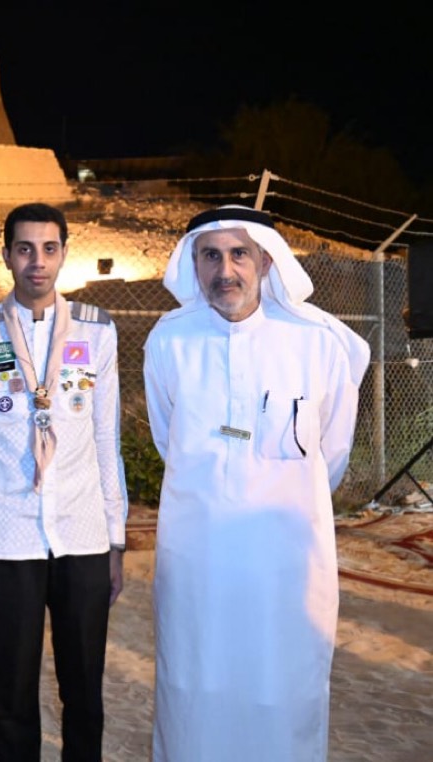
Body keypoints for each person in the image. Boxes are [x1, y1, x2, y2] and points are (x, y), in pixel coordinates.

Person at [144, 206, 370, 761]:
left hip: (286, 561)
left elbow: (332, 451)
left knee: (283, 690)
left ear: (266, 261)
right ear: (194, 264)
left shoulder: (317, 342)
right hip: (198, 558)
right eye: (211, 256)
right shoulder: (170, 340)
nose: (225, 271)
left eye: (239, 254)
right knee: (195, 687)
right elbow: (168, 438)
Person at [0, 202, 128, 762]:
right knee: (11, 696)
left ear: (64, 254)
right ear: (6, 255)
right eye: (25, 249)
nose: (37, 262)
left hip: (82, 535)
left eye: (49, 249)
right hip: (8, 539)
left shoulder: (97, 330)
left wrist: (115, 540)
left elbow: (106, 438)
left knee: (85, 694)